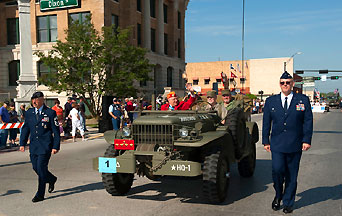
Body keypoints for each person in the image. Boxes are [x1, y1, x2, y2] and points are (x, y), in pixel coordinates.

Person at [262, 71, 313, 214]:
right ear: (280, 84)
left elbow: (307, 121)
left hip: (295, 143)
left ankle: (288, 202)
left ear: (293, 84)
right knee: (277, 171)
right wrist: (265, 140)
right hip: (277, 143)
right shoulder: (271, 101)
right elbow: (266, 122)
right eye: (282, 83)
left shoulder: (302, 100)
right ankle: (279, 194)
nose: (285, 85)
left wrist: (306, 140)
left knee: (291, 174)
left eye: (288, 82)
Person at [19, 92, 60, 203]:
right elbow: (26, 128)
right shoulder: (29, 113)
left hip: (45, 146)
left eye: (37, 99)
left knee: (41, 169)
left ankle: (40, 194)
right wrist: (22, 143)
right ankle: (51, 179)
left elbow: (56, 131)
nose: (34, 102)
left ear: (42, 100)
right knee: (35, 168)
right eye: (33, 99)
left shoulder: (50, 113)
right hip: (34, 146)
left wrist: (56, 146)